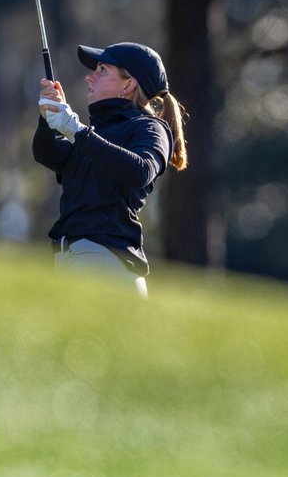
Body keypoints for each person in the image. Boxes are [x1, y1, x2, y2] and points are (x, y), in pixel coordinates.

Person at [32, 42, 188, 297]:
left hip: (105, 258)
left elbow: (141, 170)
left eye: (102, 70)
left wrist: (77, 131)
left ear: (129, 85)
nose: (90, 77)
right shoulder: (97, 133)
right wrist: (47, 116)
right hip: (72, 256)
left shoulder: (149, 128)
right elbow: (47, 155)